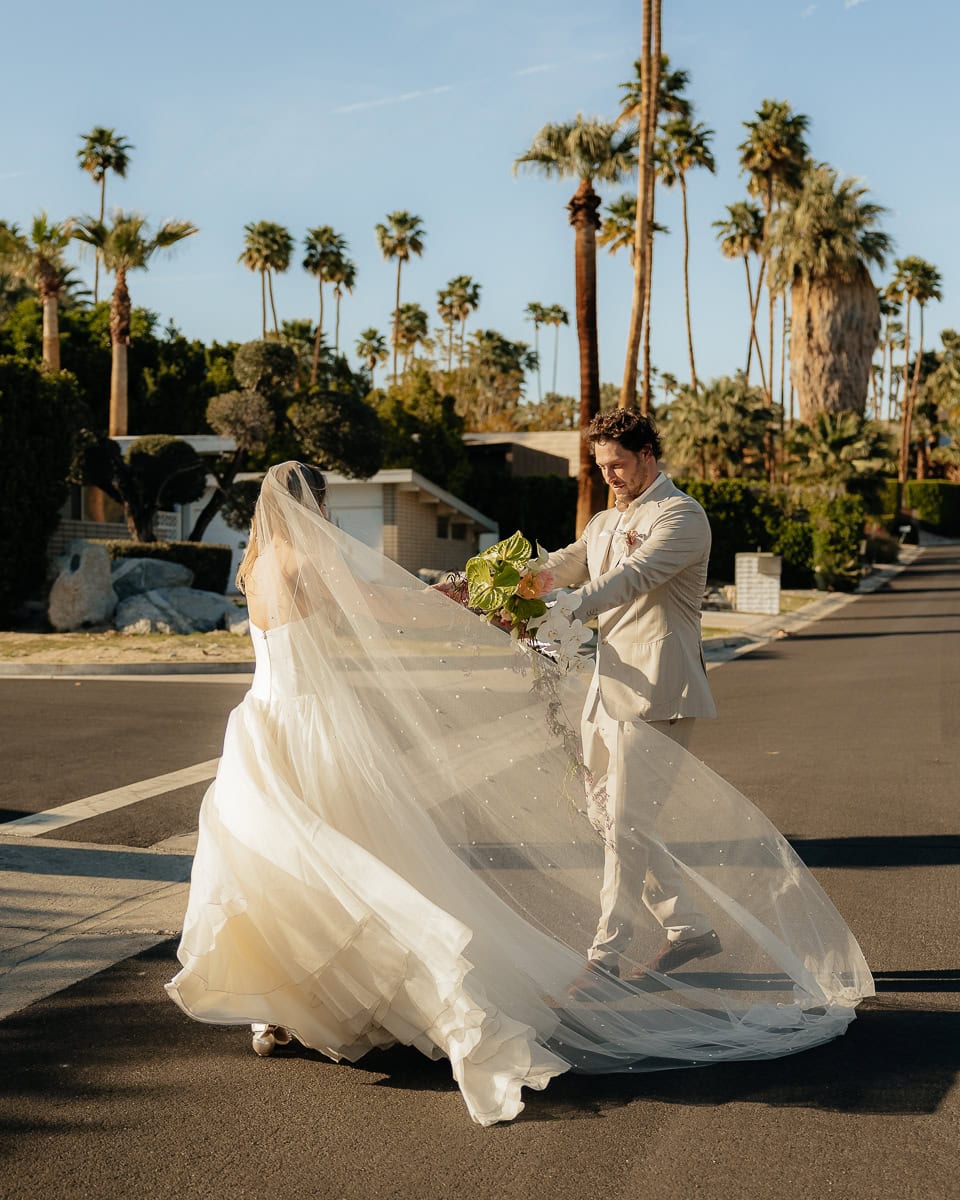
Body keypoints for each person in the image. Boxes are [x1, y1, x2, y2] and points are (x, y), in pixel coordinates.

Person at [167, 461, 874, 1127]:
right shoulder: (307, 560)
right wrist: (455, 599)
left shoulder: (254, 565)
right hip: (313, 727)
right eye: (323, 507)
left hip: (261, 724)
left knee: (280, 867)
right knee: (359, 865)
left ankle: (283, 1010)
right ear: (311, 507)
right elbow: (377, 608)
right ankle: (358, 1003)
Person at [542, 408, 721, 988]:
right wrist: (485, 586)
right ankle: (688, 929)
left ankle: (605, 957)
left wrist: (561, 609)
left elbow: (631, 579)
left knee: (625, 824)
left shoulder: (682, 516)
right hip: (607, 690)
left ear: (648, 453)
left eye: (618, 464)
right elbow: (561, 566)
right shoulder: (601, 524)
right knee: (607, 818)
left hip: (660, 692)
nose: (610, 476)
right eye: (601, 468)